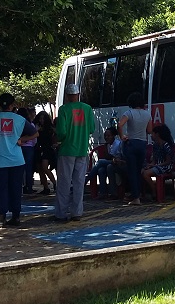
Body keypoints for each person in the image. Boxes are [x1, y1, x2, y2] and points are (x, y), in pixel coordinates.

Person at [0, 93, 38, 227]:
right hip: (17, 160)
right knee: (16, 189)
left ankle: (0, 219)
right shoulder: (19, 119)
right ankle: (16, 217)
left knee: (1, 189)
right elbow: (35, 133)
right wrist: (21, 140)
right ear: (13, 105)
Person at [53, 83, 95, 222]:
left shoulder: (64, 109)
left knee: (64, 182)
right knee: (79, 182)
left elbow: (62, 132)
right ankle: (77, 213)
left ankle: (61, 213)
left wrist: (59, 139)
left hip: (66, 150)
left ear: (67, 95)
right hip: (82, 150)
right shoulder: (87, 108)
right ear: (78, 94)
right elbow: (92, 129)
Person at [117, 91, 152, 205]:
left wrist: (122, 136)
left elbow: (120, 124)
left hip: (131, 143)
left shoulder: (129, 113)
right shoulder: (147, 114)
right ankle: (140, 194)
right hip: (142, 144)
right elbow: (150, 131)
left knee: (131, 171)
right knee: (138, 171)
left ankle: (136, 197)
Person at [141, 124, 175, 202]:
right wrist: (150, 165)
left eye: (152, 134)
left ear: (157, 134)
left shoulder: (166, 145)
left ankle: (154, 192)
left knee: (146, 174)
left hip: (165, 167)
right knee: (142, 171)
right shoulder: (155, 145)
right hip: (158, 165)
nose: (151, 136)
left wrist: (157, 165)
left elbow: (168, 161)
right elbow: (154, 160)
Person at [86, 126, 124, 199]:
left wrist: (111, 157)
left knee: (100, 162)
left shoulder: (118, 144)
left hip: (117, 163)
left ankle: (86, 180)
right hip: (111, 162)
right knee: (101, 170)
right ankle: (103, 193)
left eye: (108, 136)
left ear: (113, 136)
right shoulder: (108, 145)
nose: (106, 137)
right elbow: (107, 156)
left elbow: (114, 157)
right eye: (105, 136)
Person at [33, 110, 57, 195]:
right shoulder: (37, 127)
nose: (41, 120)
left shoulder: (50, 128)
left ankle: (55, 184)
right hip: (39, 149)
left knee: (45, 167)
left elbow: (55, 134)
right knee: (40, 169)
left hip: (47, 149)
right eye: (40, 119)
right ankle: (46, 187)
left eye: (43, 119)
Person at [16, 108, 38, 194]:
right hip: (29, 148)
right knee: (28, 168)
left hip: (19, 148)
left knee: (19, 168)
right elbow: (35, 138)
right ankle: (29, 187)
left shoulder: (17, 124)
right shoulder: (30, 124)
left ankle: (20, 186)